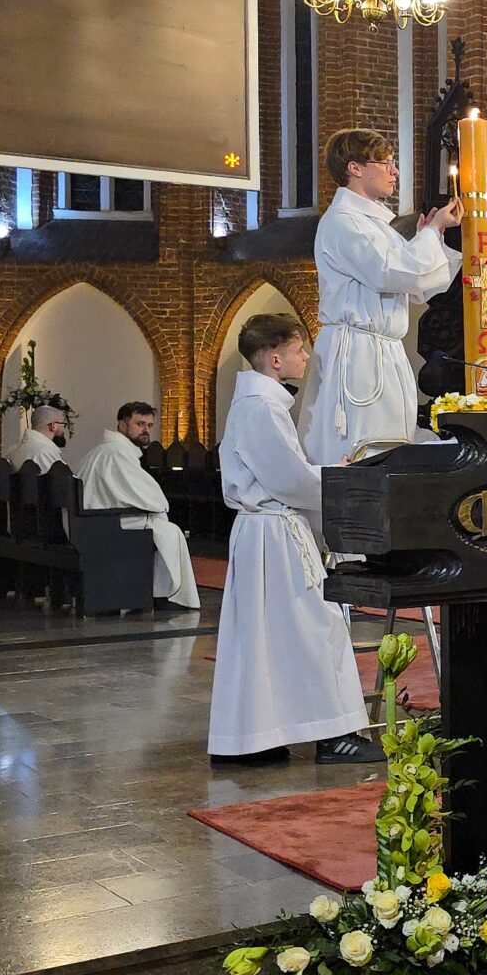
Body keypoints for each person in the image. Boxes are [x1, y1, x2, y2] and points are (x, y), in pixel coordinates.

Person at [209, 314, 380, 765]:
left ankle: (258, 737)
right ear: (274, 359)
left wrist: (324, 474)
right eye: (299, 350)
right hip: (274, 534)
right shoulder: (261, 408)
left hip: (266, 532)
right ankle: (334, 737)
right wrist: (338, 479)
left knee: (267, 637)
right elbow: (289, 481)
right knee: (316, 628)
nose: (306, 357)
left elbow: (287, 473)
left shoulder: (258, 403)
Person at [300, 127, 460, 467]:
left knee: (394, 440)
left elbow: (420, 287)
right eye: (385, 162)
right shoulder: (344, 222)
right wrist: (432, 232)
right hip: (358, 353)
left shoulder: (374, 224)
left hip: (383, 350)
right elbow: (390, 271)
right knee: (363, 443)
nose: (394, 171)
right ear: (355, 168)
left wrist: (429, 237)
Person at [75, 401, 200, 610]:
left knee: (164, 529)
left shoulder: (106, 450)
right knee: (170, 531)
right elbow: (152, 499)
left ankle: (157, 592)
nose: (146, 430)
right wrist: (158, 505)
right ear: (122, 424)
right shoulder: (116, 452)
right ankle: (168, 595)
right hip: (105, 526)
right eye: (140, 424)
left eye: (149, 425)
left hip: (95, 521)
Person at [6, 404, 68, 470]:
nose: (64, 429)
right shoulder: (45, 453)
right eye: (63, 424)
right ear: (53, 426)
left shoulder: (12, 452)